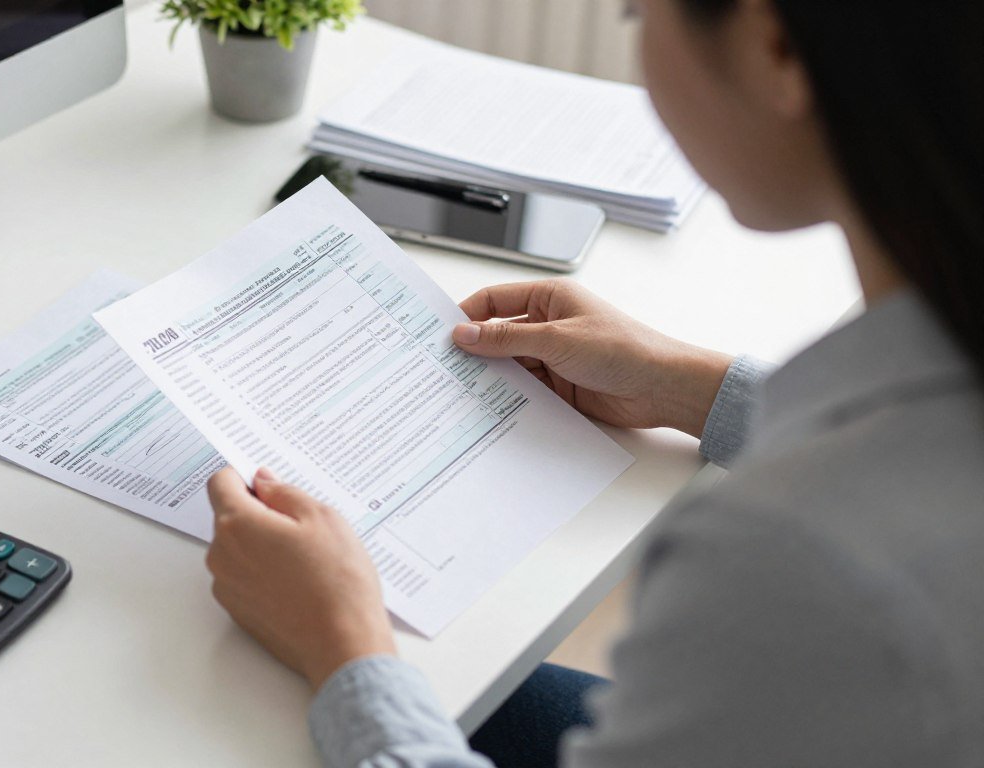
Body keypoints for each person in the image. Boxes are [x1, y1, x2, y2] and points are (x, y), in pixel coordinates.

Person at [204, 0, 984, 765]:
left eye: (638, 15)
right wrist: (686, 385)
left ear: (772, 48)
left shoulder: (787, 559)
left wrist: (344, 645)